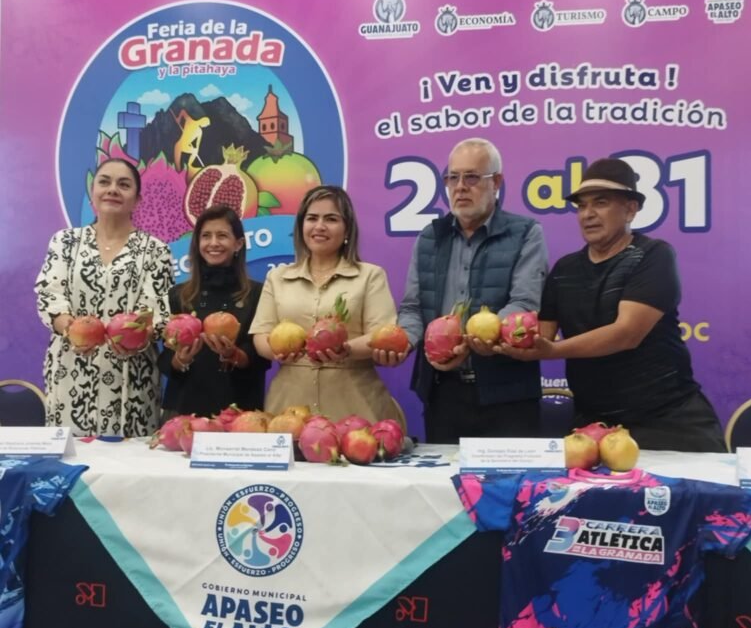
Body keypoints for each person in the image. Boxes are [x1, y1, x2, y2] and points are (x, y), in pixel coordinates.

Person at [501, 157, 726, 452]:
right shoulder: (565, 269)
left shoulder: (654, 255)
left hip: (669, 421)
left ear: (631, 209)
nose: (588, 214)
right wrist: (496, 341)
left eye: (601, 203)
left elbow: (626, 333)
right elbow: (539, 336)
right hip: (594, 426)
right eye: (582, 206)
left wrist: (554, 351)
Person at [391, 138, 548, 443]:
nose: (460, 187)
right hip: (443, 393)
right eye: (453, 177)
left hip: (508, 394)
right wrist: (402, 342)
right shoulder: (429, 237)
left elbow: (524, 303)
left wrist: (470, 340)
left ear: (496, 182)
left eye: (472, 177)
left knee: (511, 476)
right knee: (445, 475)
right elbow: (412, 308)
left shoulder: (526, 233)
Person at [34, 158, 173, 437]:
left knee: (129, 459)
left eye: (124, 185)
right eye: (105, 182)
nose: (113, 189)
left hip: (132, 378)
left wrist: (136, 334)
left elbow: (157, 310)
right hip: (70, 373)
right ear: (92, 192)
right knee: (71, 457)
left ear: (137, 200)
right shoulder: (64, 242)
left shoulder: (156, 250)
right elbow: (49, 295)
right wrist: (72, 329)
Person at [250, 186, 404, 425]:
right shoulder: (277, 277)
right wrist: (277, 351)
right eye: (312, 218)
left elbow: (381, 335)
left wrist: (346, 350)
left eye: (331, 219)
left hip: (356, 408)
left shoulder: (370, 276)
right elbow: (261, 335)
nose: (319, 226)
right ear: (301, 226)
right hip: (289, 409)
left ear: (347, 229)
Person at [158, 205, 269, 419]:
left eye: (222, 236)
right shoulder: (178, 295)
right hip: (183, 410)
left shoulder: (258, 293)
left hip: (239, 412)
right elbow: (165, 358)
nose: (213, 243)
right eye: (206, 236)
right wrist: (180, 359)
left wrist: (234, 355)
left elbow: (261, 358)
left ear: (238, 244)